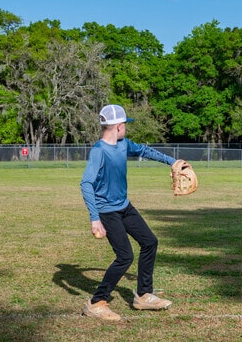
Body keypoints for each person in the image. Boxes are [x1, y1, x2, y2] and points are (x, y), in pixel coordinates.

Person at [80, 104, 190, 321]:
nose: (126, 128)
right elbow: (86, 184)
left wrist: (172, 161)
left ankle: (143, 295)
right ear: (119, 126)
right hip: (106, 212)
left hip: (124, 206)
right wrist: (95, 219)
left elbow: (145, 151)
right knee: (125, 256)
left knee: (149, 241)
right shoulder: (99, 152)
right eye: (125, 125)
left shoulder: (123, 144)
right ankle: (96, 302)